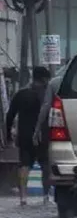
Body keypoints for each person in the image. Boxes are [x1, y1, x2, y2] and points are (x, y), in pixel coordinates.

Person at [5, 66, 51, 205]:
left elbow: (10, 116)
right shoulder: (46, 95)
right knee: (45, 166)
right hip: (43, 136)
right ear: (44, 79)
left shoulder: (21, 94)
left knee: (24, 166)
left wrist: (8, 135)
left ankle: (23, 197)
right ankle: (46, 196)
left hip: (25, 136)